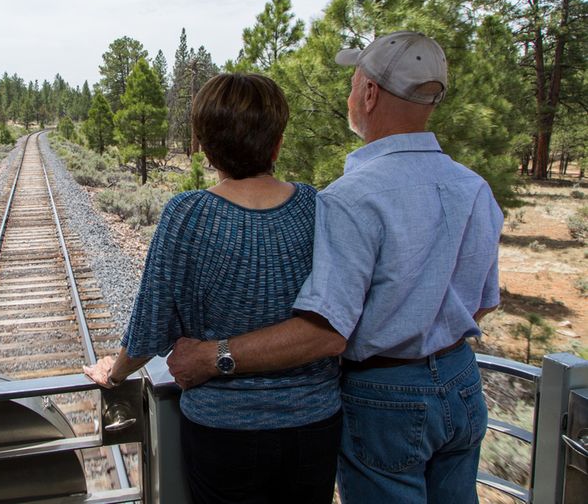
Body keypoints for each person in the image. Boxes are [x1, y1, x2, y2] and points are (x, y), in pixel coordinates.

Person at [167, 31, 503, 503]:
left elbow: (326, 332)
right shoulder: (474, 187)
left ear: (368, 93)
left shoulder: (353, 197)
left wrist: (209, 356)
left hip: (385, 396)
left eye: (353, 83)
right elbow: (484, 302)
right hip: (462, 381)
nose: (349, 95)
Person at [84, 73, 342, 504]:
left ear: (202, 146)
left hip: (224, 431)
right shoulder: (315, 207)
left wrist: (114, 372)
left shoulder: (187, 214)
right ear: (277, 144)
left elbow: (150, 328)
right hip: (314, 428)